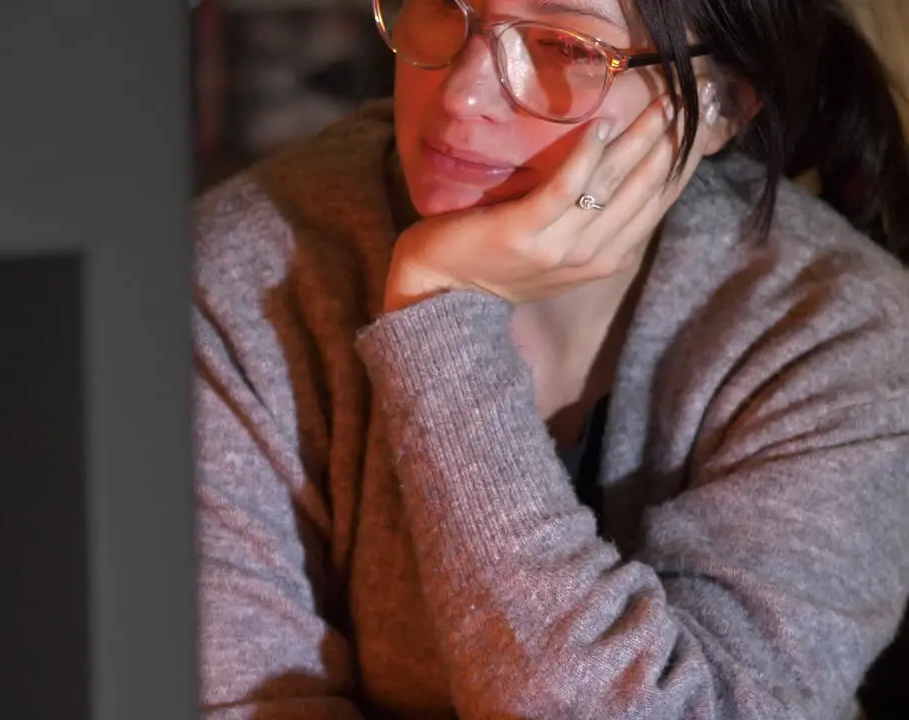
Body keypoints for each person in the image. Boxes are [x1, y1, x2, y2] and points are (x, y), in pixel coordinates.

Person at [192, 0, 909, 717]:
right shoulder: (236, 276)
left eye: (566, 48)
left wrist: (441, 318)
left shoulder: (841, 338)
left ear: (724, 104)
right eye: (445, 8)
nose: (461, 93)